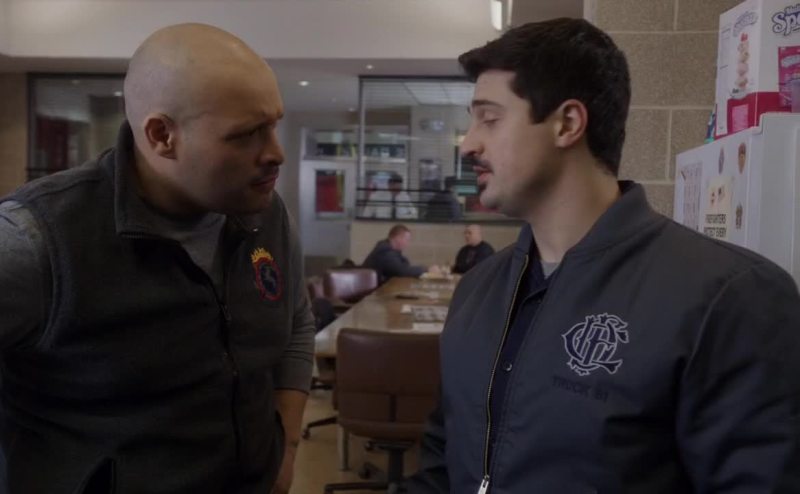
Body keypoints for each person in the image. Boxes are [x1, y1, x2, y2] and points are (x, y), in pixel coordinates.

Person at [407, 18, 800, 493]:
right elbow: (441, 462)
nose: (469, 143)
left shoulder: (729, 296)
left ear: (567, 124)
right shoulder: (477, 289)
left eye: (489, 118)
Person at [0, 24, 314, 494]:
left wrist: (285, 449)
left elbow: (296, 324)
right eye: (247, 134)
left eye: (273, 124)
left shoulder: (264, 213)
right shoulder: (37, 238)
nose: (276, 153)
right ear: (162, 134)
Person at [362, 224, 430, 284]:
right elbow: (402, 271)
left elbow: (405, 265)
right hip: (375, 291)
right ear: (398, 238)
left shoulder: (392, 250)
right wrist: (427, 269)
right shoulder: (385, 251)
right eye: (407, 239)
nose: (407, 243)